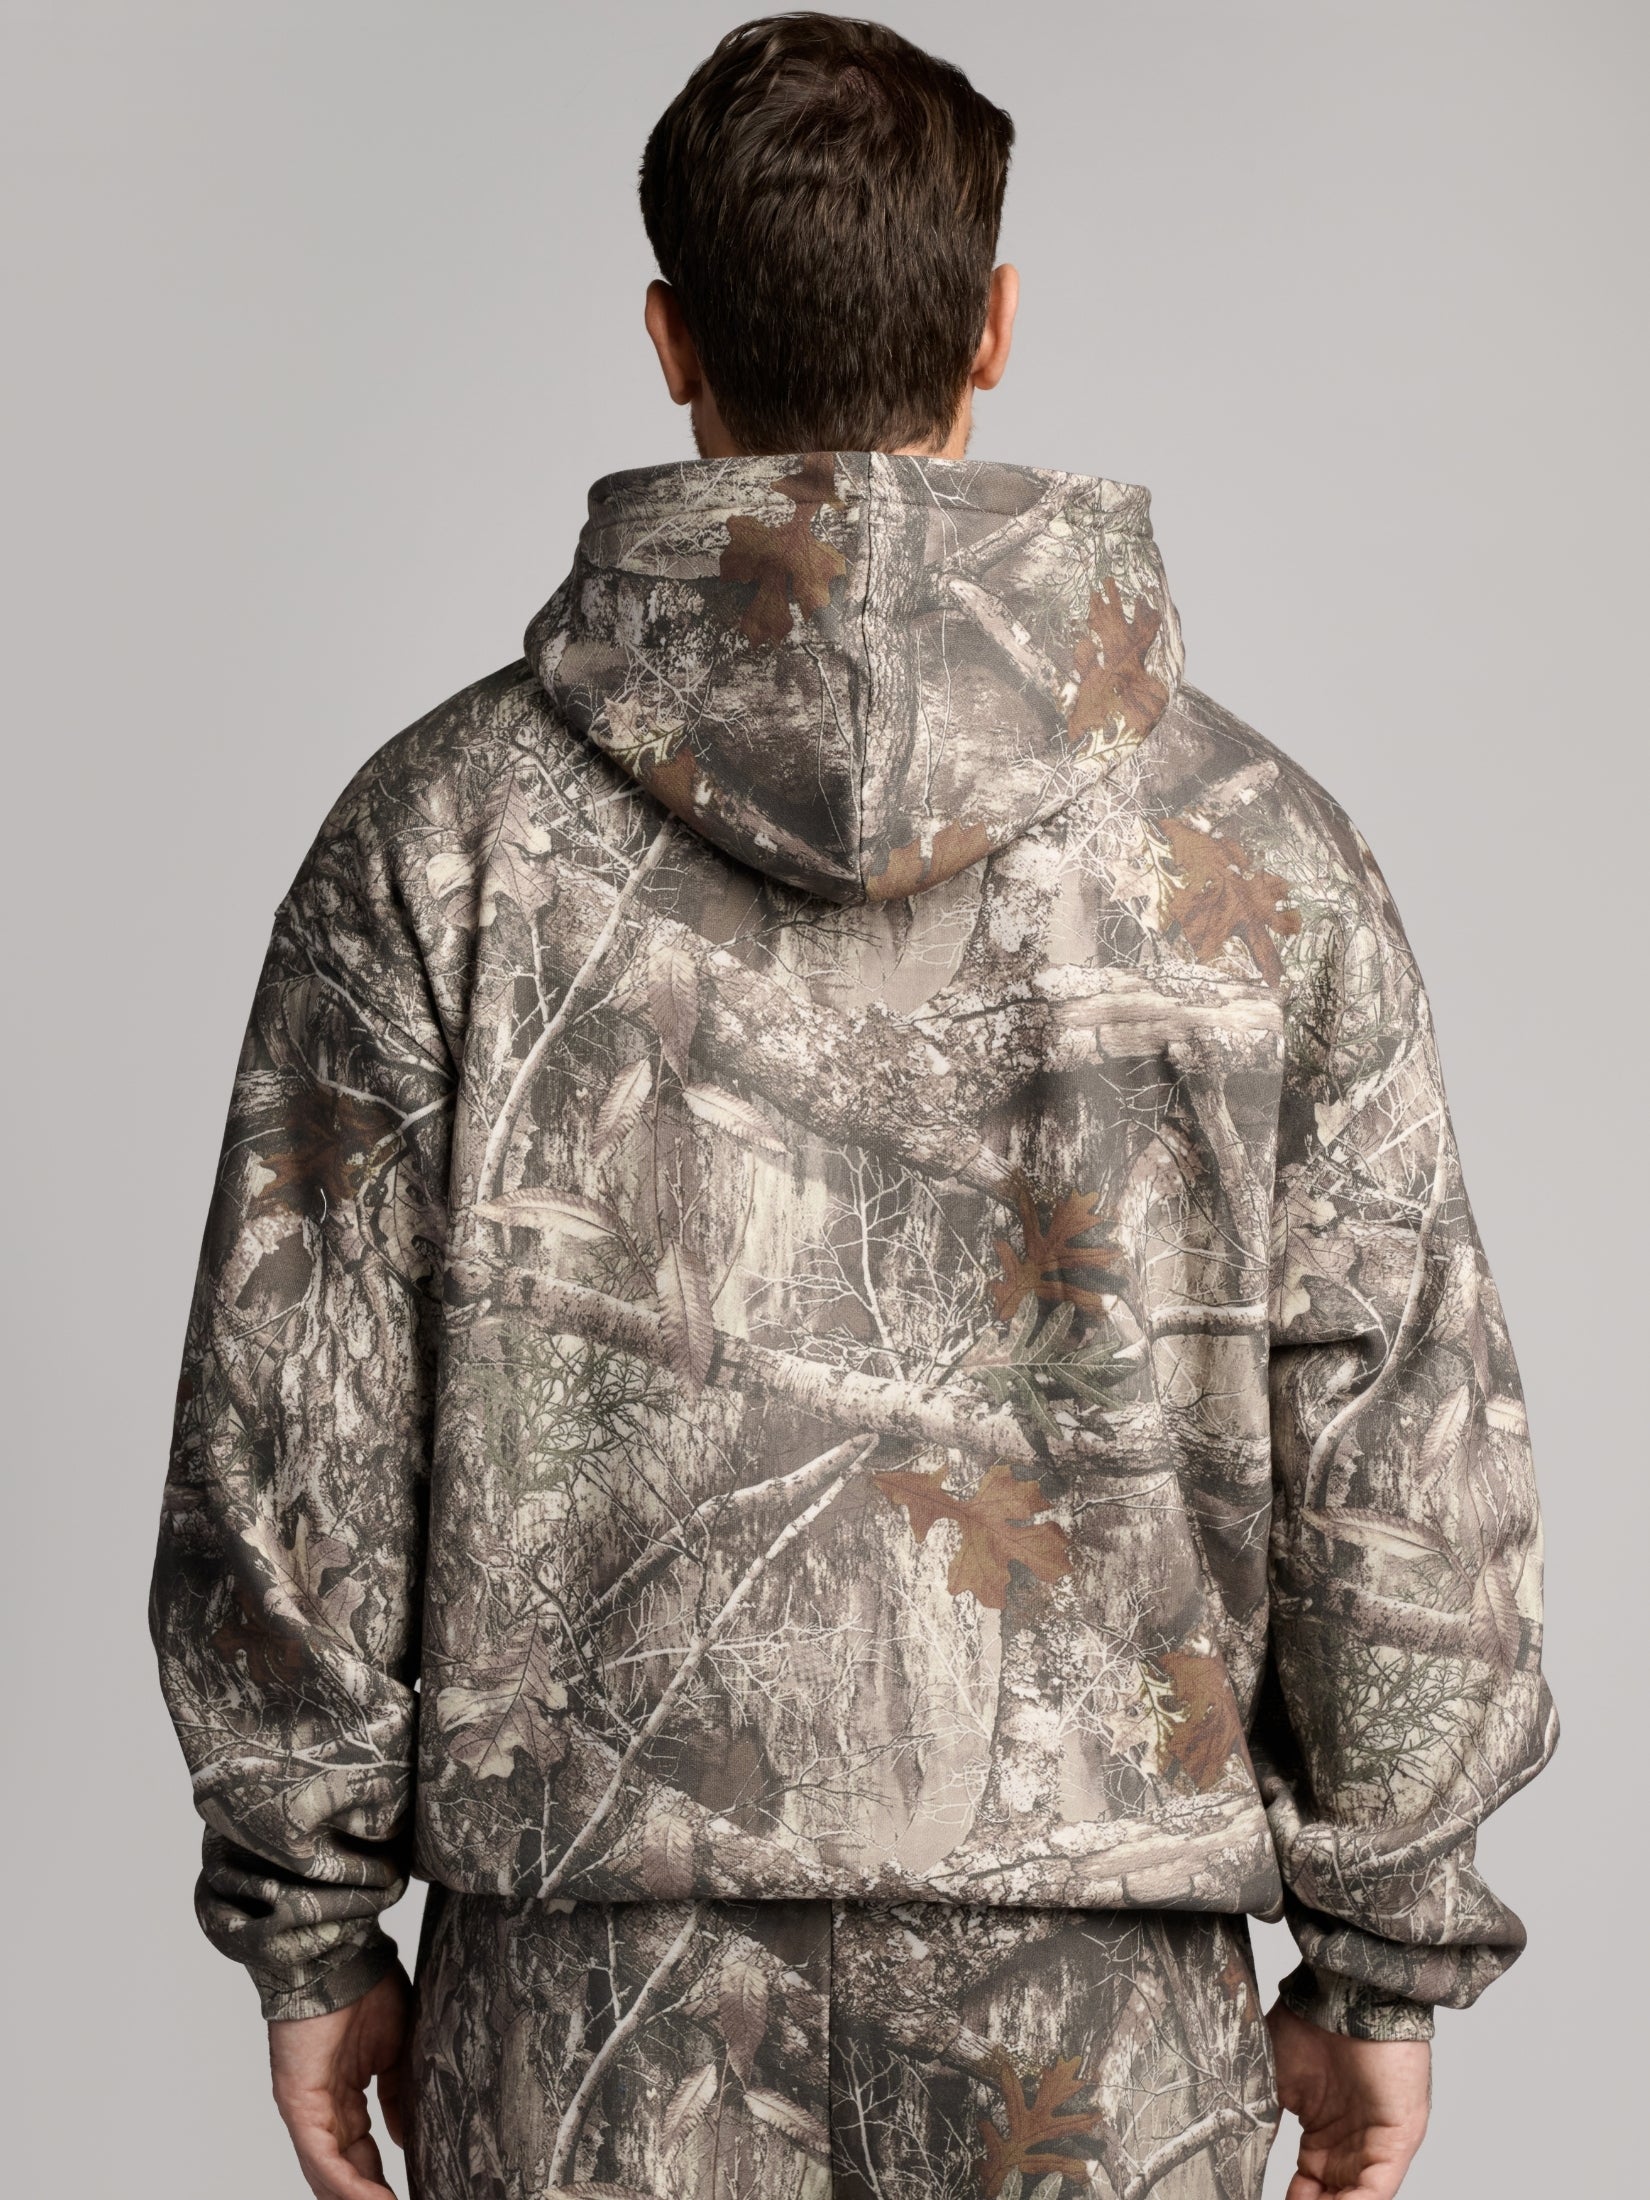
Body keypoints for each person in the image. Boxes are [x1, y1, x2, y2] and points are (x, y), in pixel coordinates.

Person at [150, 16, 1558, 2200]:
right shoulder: (1252, 860)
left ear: (668, 340)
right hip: (1095, 2022)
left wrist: (310, 1923)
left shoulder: (442, 839)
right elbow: (1397, 1442)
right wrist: (1381, 1968)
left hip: (595, 2015)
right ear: (992, 328)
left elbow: (295, 1419)